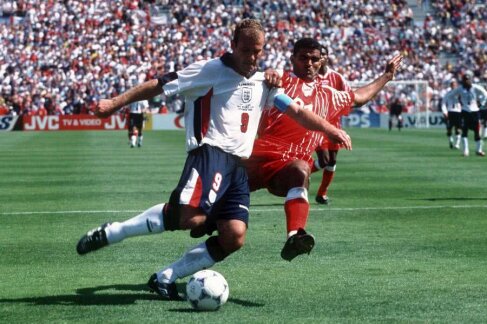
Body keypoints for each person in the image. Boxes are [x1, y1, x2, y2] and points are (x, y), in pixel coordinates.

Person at [76, 19, 351, 300]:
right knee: (191, 217)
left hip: (239, 165)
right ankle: (115, 232)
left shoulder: (262, 81)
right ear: (233, 45)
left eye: (258, 51)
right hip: (209, 152)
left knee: (233, 236)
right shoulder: (209, 70)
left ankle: (165, 276)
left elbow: (296, 111)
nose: (252, 57)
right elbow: (157, 85)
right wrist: (114, 104)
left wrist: (331, 129)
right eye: (246, 50)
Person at [245, 38, 395, 261]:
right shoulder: (280, 81)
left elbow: (361, 97)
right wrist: (268, 73)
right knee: (199, 214)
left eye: (314, 59)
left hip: (287, 168)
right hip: (259, 156)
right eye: (303, 58)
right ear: (292, 59)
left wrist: (387, 76)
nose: (309, 63)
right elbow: (259, 77)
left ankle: (295, 236)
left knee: (301, 170)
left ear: (322, 60)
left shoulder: (329, 96)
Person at [312, 46, 404, 204]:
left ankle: (322, 193)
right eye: (318, 55)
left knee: (332, 161)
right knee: (324, 160)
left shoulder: (337, 77)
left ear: (327, 57)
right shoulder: (310, 77)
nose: (321, 58)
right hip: (317, 124)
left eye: (324, 55)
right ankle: (301, 174)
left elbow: (352, 96)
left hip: (334, 124)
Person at [443, 72, 487, 157]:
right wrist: (454, 100)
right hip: (464, 112)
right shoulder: (460, 89)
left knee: (477, 132)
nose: (466, 81)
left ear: (470, 80)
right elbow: (450, 95)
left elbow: (485, 94)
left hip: (475, 111)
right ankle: (465, 151)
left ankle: (478, 150)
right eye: (465, 80)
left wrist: (481, 103)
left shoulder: (475, 87)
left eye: (468, 80)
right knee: (464, 131)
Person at [441, 78, 462, 149]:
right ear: (450, 86)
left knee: (458, 128)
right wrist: (445, 112)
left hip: (458, 112)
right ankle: (450, 140)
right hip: (450, 112)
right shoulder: (448, 94)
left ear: (456, 85)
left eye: (454, 85)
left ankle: (457, 144)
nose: (453, 86)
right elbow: (443, 103)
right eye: (452, 85)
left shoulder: (460, 93)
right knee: (449, 128)